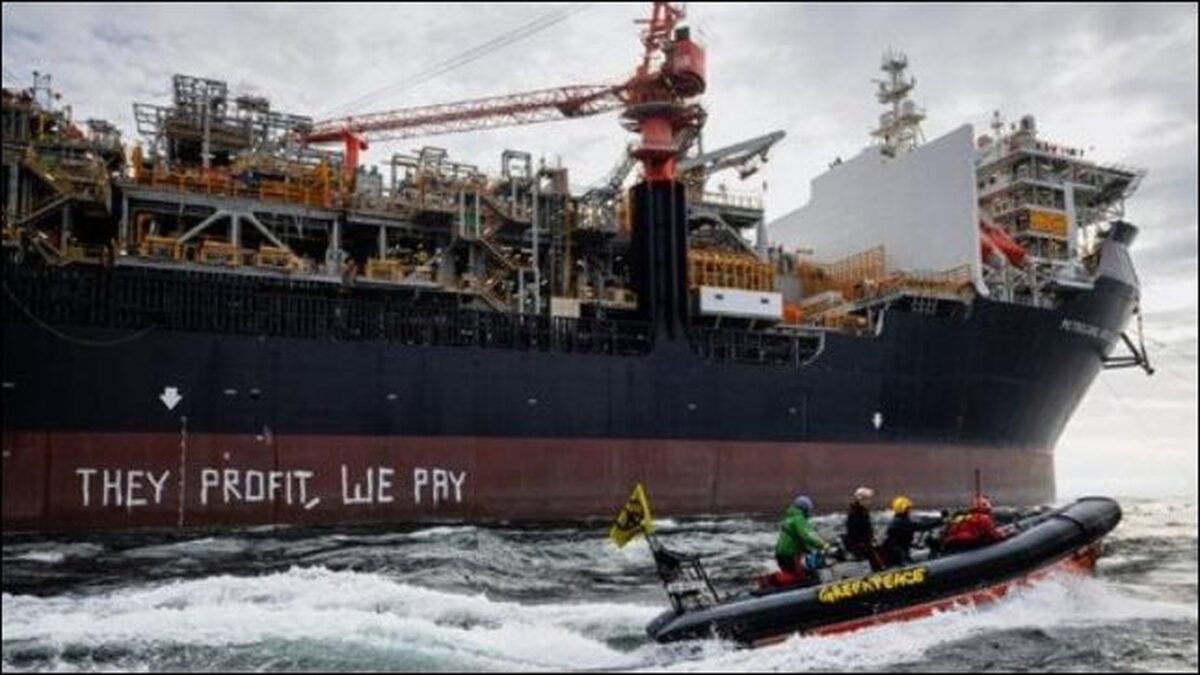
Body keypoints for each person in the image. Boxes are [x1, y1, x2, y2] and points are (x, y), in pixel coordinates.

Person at [768, 494, 828, 588]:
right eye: (809, 509)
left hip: (781, 553)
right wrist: (823, 544)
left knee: (790, 573)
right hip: (791, 554)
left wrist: (809, 549)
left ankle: (776, 584)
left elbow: (798, 539)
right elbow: (808, 535)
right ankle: (772, 579)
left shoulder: (789, 518)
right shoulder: (798, 519)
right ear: (804, 509)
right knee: (799, 578)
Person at [879, 495, 943, 568]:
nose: (910, 510)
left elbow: (919, 524)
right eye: (908, 508)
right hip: (897, 556)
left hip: (898, 553)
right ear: (904, 509)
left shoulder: (900, 520)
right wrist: (940, 522)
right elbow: (920, 526)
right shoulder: (901, 522)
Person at [940, 495, 1009, 554]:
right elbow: (995, 535)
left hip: (953, 545)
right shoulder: (984, 518)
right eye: (987, 504)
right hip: (966, 546)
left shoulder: (964, 516)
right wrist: (1007, 535)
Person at [841, 486, 884, 571]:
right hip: (859, 546)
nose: (870, 502)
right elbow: (855, 532)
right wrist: (866, 543)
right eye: (868, 499)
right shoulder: (855, 513)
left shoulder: (863, 511)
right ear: (862, 500)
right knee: (875, 558)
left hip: (865, 543)